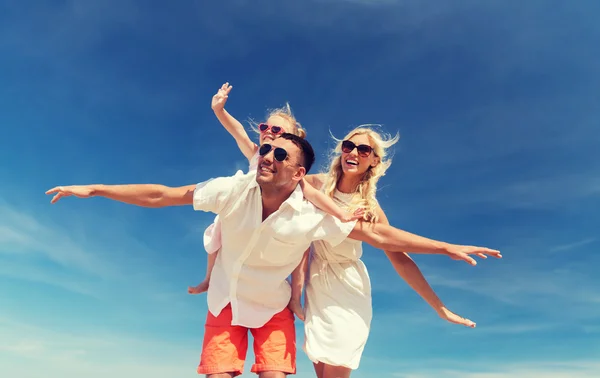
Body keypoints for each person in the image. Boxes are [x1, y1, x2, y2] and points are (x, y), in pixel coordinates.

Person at [46, 133, 501, 377]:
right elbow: (163, 194)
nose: (264, 155)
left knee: (325, 364)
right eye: (347, 144)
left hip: (303, 293)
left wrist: (443, 252)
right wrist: (95, 189)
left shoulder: (332, 214)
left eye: (364, 149)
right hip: (234, 297)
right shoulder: (258, 189)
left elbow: (388, 245)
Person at [289, 126, 479, 378]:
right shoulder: (317, 185)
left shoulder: (369, 207)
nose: (353, 152)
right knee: (322, 368)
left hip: (348, 288)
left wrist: (439, 307)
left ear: (374, 160)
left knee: (337, 366)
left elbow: (398, 256)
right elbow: (281, 171)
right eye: (348, 146)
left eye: (363, 149)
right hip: (318, 286)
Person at [188, 83, 362, 295]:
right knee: (217, 233)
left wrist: (342, 214)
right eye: (264, 128)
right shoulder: (257, 154)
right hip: (242, 214)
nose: (268, 132)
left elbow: (315, 196)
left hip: (271, 222)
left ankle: (291, 296)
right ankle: (208, 279)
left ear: (291, 138)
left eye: (277, 130)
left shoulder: (293, 173)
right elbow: (239, 132)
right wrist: (219, 110)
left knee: (294, 248)